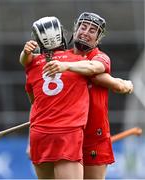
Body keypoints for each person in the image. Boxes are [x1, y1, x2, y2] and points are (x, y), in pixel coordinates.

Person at [42, 12, 133, 179]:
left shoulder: (99, 57)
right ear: (75, 30)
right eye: (83, 27)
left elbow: (93, 68)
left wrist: (66, 67)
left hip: (93, 137)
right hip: (66, 135)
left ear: (98, 39)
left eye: (92, 30)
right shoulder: (62, 58)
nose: (86, 32)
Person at [20, 16, 90, 179]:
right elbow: (97, 69)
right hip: (67, 133)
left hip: (39, 135)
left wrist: (29, 141)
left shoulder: (32, 66)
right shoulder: (78, 61)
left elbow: (34, 103)